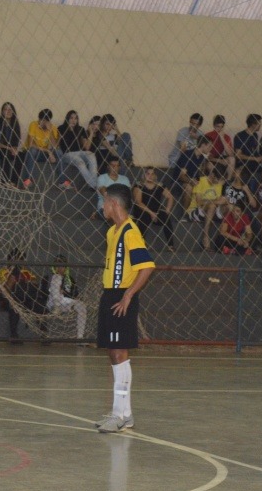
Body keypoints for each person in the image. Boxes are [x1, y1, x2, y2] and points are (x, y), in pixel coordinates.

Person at [94, 183, 155, 434]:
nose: (103, 206)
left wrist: (129, 295)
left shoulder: (131, 232)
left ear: (115, 205)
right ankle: (124, 413)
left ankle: (120, 414)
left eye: (106, 202)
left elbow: (147, 266)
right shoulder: (113, 232)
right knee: (113, 352)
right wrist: (105, 191)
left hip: (121, 296)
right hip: (110, 295)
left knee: (120, 354)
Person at [132, 167, 175, 251]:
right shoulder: (138, 185)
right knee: (144, 217)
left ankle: (171, 245)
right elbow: (139, 203)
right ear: (144, 175)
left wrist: (167, 210)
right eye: (148, 173)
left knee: (166, 217)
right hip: (142, 210)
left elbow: (170, 197)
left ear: (155, 176)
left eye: (152, 174)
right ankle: (142, 244)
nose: (150, 176)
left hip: (156, 210)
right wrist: (151, 213)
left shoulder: (160, 185)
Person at [46, 255, 87, 339]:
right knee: (56, 277)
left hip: (65, 302)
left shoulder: (69, 279)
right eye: (57, 266)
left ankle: (80, 337)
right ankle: (56, 307)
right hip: (52, 303)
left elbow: (75, 294)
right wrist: (56, 290)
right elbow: (43, 291)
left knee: (82, 306)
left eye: (62, 266)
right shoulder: (49, 277)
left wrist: (64, 292)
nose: (60, 268)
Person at [56, 110, 97, 190]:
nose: (73, 120)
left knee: (91, 154)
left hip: (79, 152)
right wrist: (68, 129)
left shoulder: (80, 129)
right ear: (67, 119)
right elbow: (57, 145)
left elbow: (87, 147)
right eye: (71, 118)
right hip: (67, 154)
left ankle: (93, 183)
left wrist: (91, 133)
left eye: (75, 118)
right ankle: (94, 185)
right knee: (80, 162)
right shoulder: (61, 128)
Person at [21, 108, 59, 189]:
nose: (41, 123)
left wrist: (50, 131)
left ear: (48, 121)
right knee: (33, 150)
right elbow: (31, 144)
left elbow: (55, 146)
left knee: (58, 152)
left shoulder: (53, 128)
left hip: (42, 154)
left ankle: (63, 181)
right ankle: (28, 179)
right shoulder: (33, 124)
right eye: (40, 120)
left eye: (45, 121)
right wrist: (48, 151)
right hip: (29, 152)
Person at [0, 102, 22, 187]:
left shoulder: (15, 123)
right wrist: (10, 149)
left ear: (13, 112)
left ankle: (13, 182)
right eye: (5, 109)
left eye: (10, 109)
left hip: (11, 149)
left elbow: (17, 140)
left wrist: (15, 149)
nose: (8, 111)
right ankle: (4, 180)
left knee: (21, 156)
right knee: (5, 153)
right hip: (0, 148)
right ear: (2, 112)